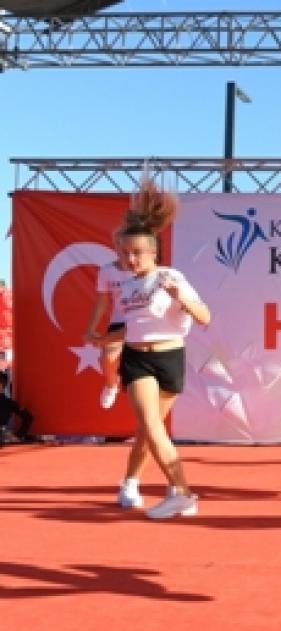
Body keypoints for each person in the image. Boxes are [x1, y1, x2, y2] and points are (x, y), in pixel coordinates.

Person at [88, 178, 211, 519]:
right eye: (124, 253)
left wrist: (181, 298)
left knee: (147, 431)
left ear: (153, 253)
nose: (130, 259)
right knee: (151, 426)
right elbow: (132, 327)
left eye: (137, 253)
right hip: (137, 359)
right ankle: (181, 492)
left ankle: (131, 482)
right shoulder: (126, 285)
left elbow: (205, 317)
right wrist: (102, 340)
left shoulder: (171, 278)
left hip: (169, 358)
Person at [85, 232, 131, 410]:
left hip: (143, 322)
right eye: (120, 246)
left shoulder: (145, 270)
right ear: (116, 247)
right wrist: (91, 329)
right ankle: (111, 385)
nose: (125, 252)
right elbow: (102, 301)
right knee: (108, 355)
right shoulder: (107, 271)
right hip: (119, 322)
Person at [0, 370, 33, 444]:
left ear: (2, 385)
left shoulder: (9, 403)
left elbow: (28, 417)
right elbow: (28, 418)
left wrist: (18, 435)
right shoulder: (9, 403)